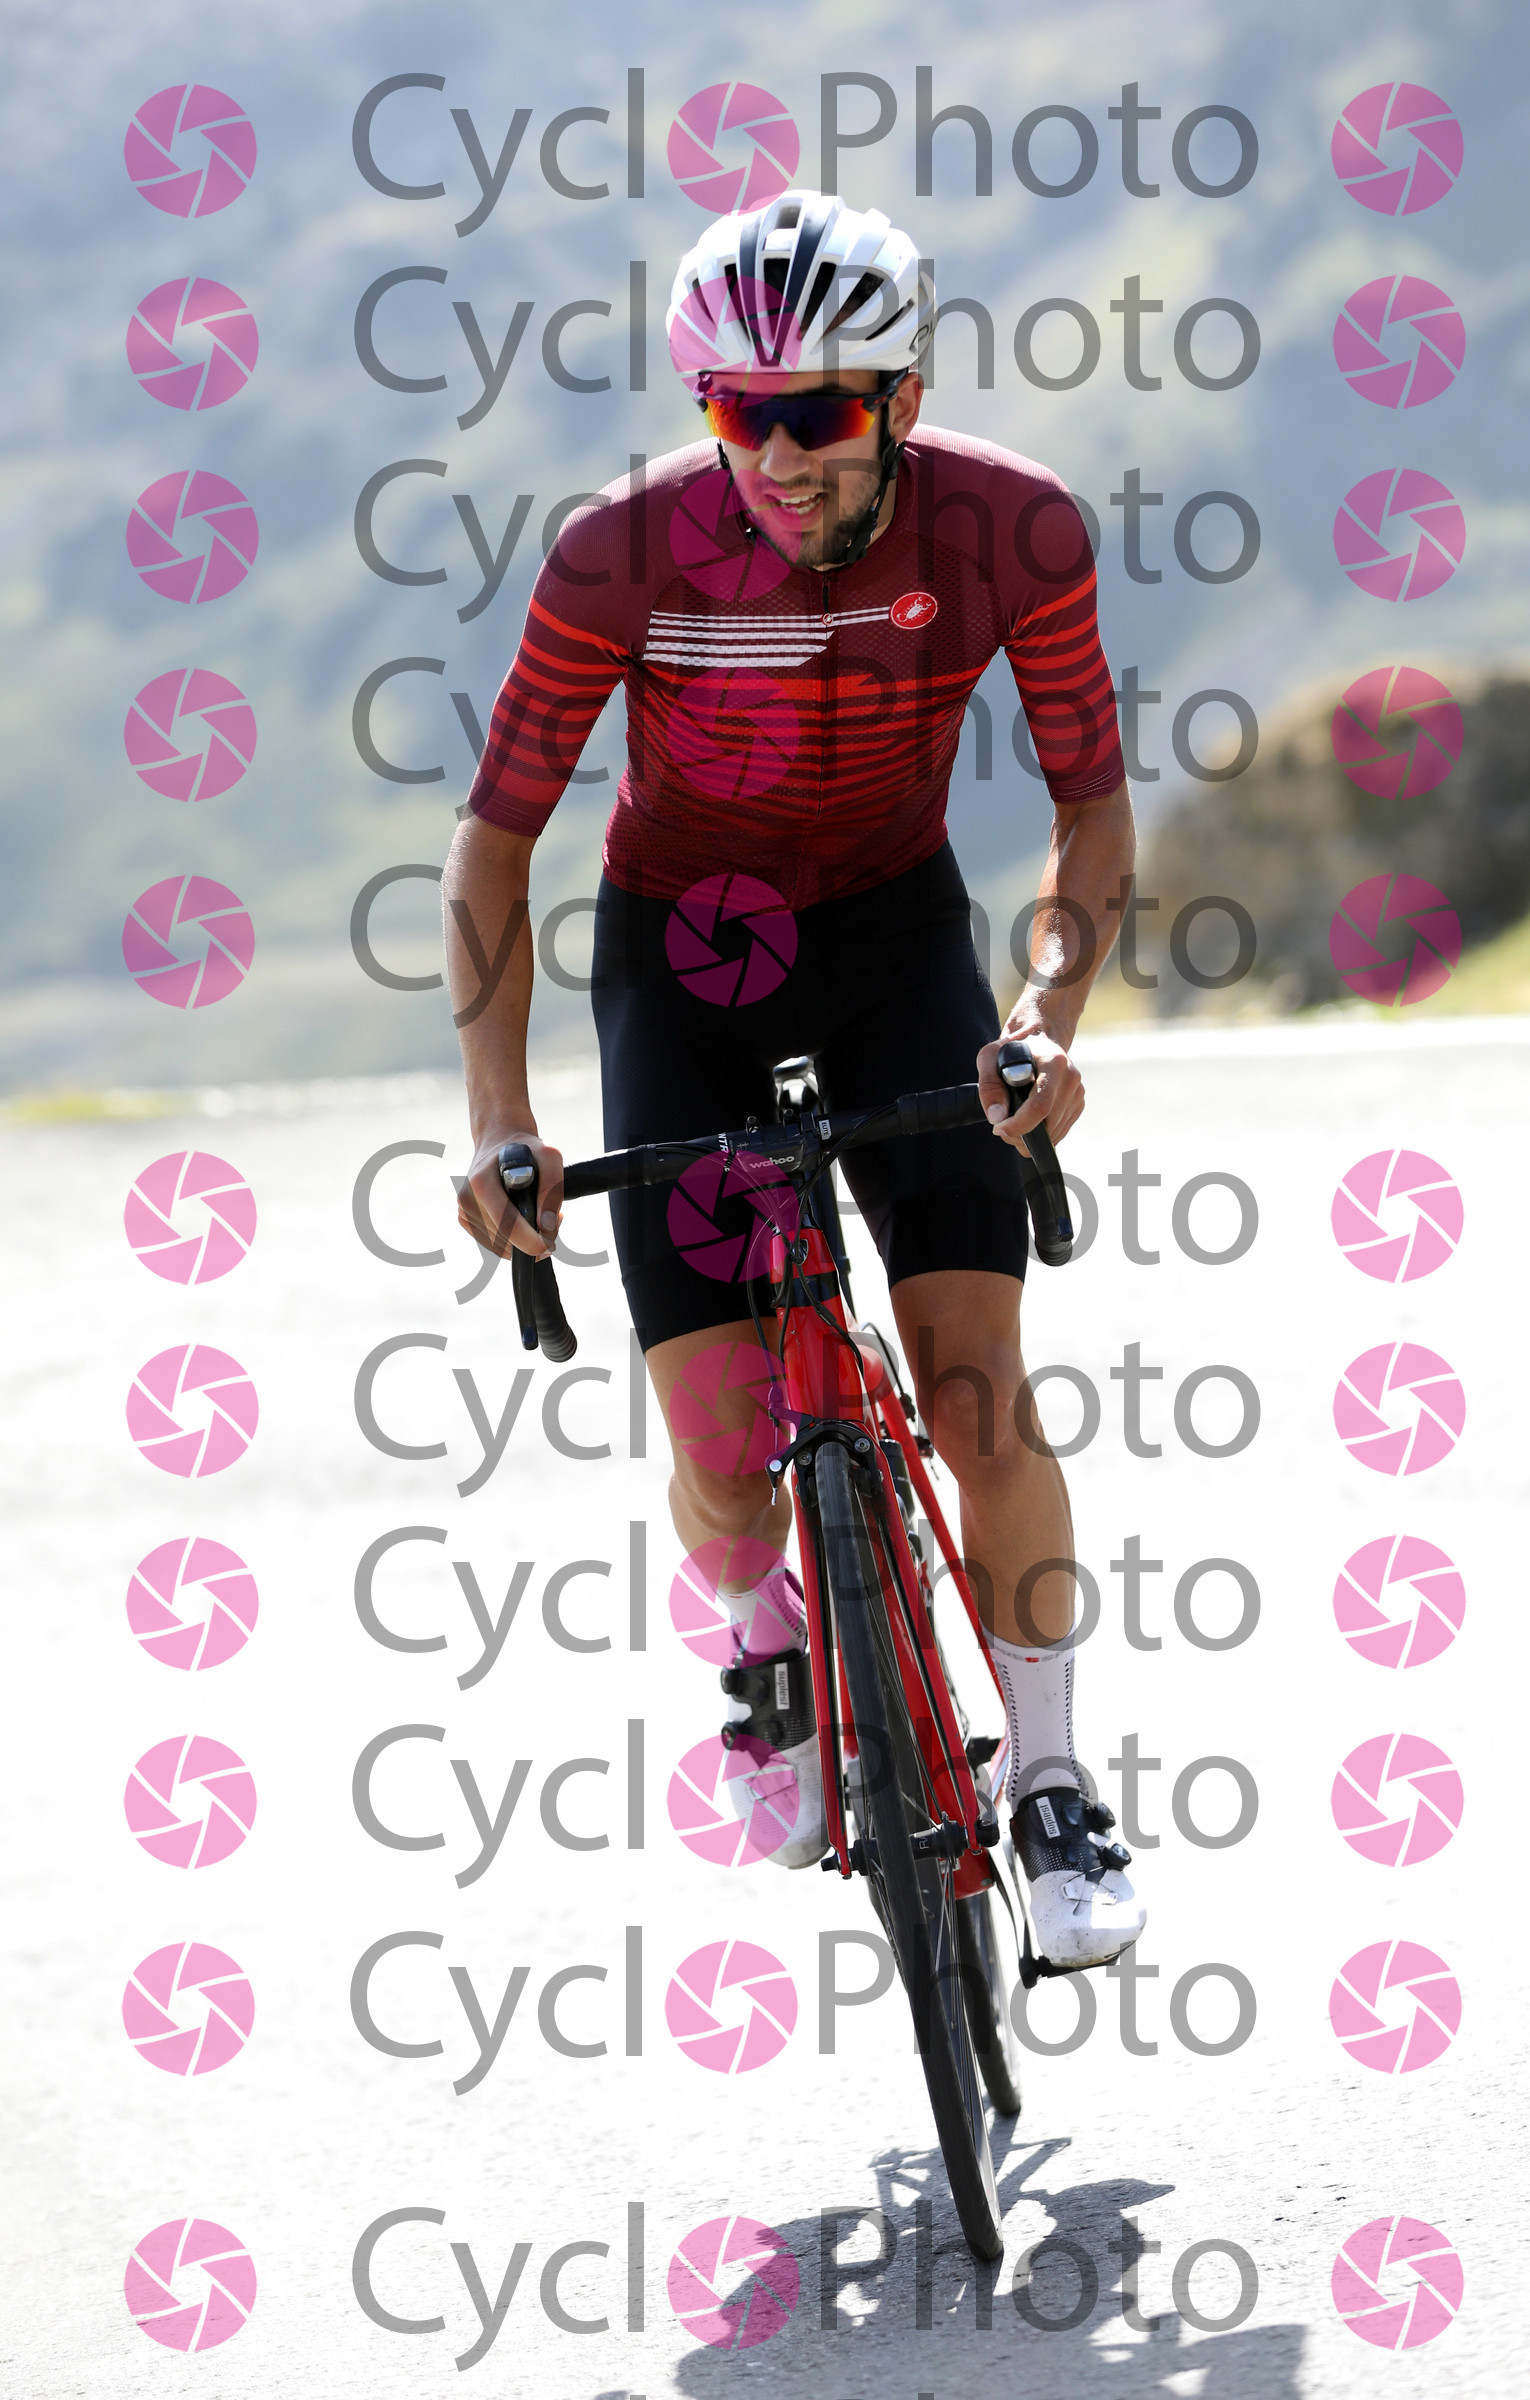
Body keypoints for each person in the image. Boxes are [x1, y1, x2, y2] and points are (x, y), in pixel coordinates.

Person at [446, 189, 1143, 1969]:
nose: (773, 454)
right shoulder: (620, 553)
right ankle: (760, 1638)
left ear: (900, 398)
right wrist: (502, 1123)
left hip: (899, 939)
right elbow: (495, 844)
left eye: (815, 413)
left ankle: (1054, 1778)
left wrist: (1047, 1020)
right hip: (682, 958)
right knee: (722, 1453)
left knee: (978, 1396)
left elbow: (1088, 810)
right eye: (734, 410)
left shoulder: (1014, 526)